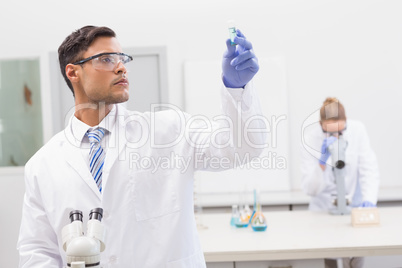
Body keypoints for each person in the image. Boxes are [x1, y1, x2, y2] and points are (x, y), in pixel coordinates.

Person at [17, 26, 266, 267]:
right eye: (105, 59)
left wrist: (237, 90)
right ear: (73, 73)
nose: (121, 67)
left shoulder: (168, 130)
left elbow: (242, 148)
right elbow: (37, 251)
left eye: (122, 58)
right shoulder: (42, 165)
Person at [300, 97, 380, 268]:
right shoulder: (309, 139)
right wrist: (321, 164)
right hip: (322, 211)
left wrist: (369, 200)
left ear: (346, 122)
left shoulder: (358, 130)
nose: (335, 136)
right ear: (321, 125)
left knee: (355, 261)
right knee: (330, 260)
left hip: (353, 208)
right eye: (330, 132)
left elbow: (369, 168)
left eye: (340, 131)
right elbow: (310, 189)